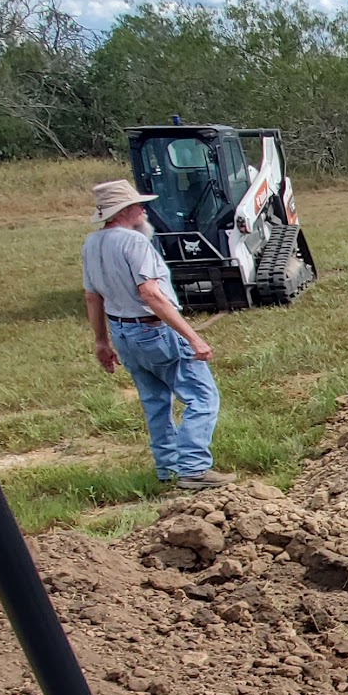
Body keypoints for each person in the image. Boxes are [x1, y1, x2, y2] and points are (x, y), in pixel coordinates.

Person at [81, 179, 233, 490]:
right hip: (153, 330)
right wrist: (193, 337)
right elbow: (150, 293)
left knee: (155, 401)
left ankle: (168, 468)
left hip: (122, 333)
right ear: (127, 210)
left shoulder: (91, 244)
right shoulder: (135, 243)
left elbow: (92, 297)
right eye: (138, 205)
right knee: (202, 397)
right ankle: (194, 469)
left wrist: (101, 341)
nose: (143, 210)